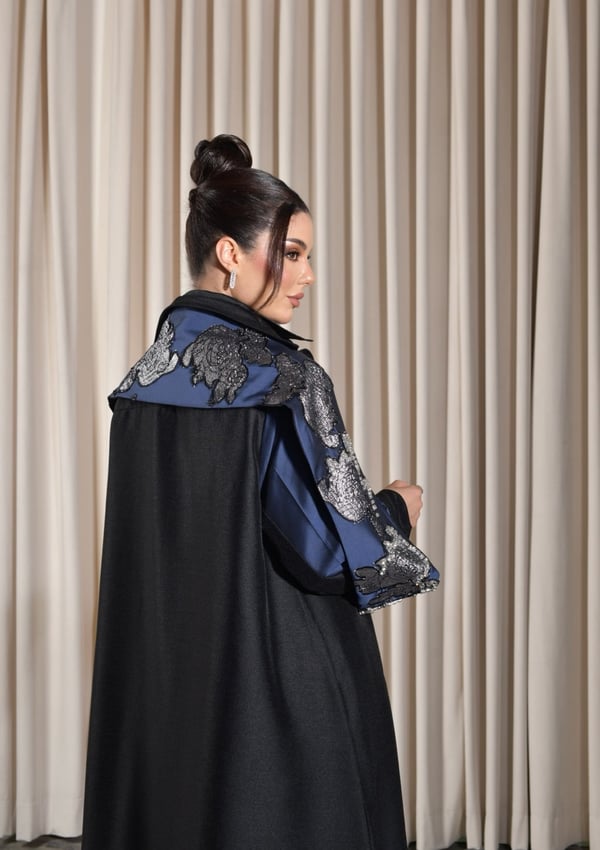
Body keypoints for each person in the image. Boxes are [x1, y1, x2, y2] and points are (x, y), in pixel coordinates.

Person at [81, 134, 439, 850]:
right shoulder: (282, 379)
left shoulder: (140, 386)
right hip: (280, 701)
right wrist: (397, 506)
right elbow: (328, 552)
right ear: (229, 254)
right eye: (293, 252)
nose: (307, 275)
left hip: (168, 703)